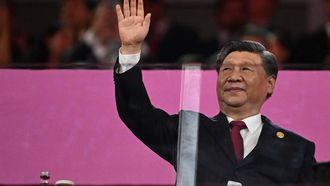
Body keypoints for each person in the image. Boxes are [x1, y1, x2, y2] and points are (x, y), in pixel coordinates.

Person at [114, 0, 316, 185]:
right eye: (227, 69)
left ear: (270, 83)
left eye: (246, 69)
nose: (234, 76)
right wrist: (131, 49)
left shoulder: (296, 148)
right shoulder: (189, 132)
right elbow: (136, 113)